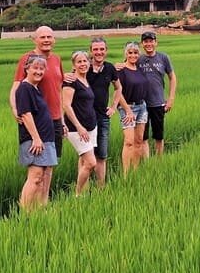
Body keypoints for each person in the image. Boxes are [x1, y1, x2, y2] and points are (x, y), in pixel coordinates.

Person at [9, 26, 65, 205]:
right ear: (35, 39)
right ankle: (26, 211)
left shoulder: (56, 60)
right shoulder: (27, 60)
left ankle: (43, 206)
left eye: (50, 36)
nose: (47, 40)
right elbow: (16, 87)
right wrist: (16, 110)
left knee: (48, 168)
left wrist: (62, 120)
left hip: (54, 121)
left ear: (54, 39)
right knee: (36, 173)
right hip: (37, 122)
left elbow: (59, 90)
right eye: (43, 37)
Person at [15, 54, 58, 211]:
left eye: (42, 69)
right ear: (27, 69)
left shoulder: (35, 88)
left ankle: (38, 211)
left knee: (43, 176)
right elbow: (25, 114)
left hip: (45, 138)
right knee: (35, 176)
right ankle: (25, 212)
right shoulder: (24, 88)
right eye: (35, 68)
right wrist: (36, 138)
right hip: (35, 140)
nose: (39, 71)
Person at [87, 36, 131, 187]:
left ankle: (101, 188)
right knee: (85, 156)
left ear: (106, 51)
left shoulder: (110, 68)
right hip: (85, 119)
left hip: (103, 117)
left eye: (101, 49)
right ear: (90, 51)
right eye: (95, 50)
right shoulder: (83, 67)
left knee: (102, 155)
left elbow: (118, 88)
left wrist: (113, 106)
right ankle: (83, 190)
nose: (99, 52)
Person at [62, 51, 98, 196]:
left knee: (84, 161)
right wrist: (78, 126)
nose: (83, 64)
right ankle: (78, 194)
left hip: (91, 126)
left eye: (85, 61)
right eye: (79, 62)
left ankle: (84, 193)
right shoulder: (70, 81)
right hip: (77, 129)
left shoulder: (86, 80)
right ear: (74, 65)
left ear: (89, 63)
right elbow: (66, 105)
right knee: (91, 163)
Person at [137, 31, 177, 157]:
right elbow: (125, 67)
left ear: (156, 43)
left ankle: (159, 161)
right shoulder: (138, 59)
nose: (149, 44)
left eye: (151, 41)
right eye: (146, 41)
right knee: (143, 137)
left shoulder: (163, 58)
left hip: (158, 102)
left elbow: (172, 77)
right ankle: (147, 162)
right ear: (142, 44)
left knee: (159, 135)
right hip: (141, 104)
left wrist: (170, 98)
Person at [115, 42, 148, 177]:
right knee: (129, 142)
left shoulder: (140, 69)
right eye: (130, 53)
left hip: (142, 107)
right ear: (125, 54)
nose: (133, 55)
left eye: (135, 53)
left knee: (139, 141)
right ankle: (126, 175)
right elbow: (118, 92)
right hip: (127, 108)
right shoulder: (120, 71)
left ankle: (136, 171)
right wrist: (127, 109)